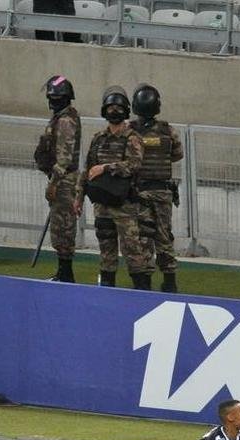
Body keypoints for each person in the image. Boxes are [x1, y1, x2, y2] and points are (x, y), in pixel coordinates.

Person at [76, 86, 154, 289]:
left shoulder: (132, 138)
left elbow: (134, 165)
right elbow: (87, 170)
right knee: (106, 251)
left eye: (118, 107)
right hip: (102, 205)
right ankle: (107, 290)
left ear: (126, 110)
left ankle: (142, 292)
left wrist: (106, 168)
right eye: (110, 107)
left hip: (125, 205)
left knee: (132, 250)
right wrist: (78, 198)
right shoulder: (98, 138)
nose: (114, 111)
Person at [130, 84, 185, 293]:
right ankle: (169, 280)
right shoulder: (167, 130)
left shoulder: (130, 131)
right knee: (164, 235)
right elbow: (177, 154)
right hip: (162, 193)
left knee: (143, 236)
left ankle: (145, 281)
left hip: (139, 192)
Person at [34, 75, 82, 283]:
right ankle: (63, 272)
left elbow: (64, 157)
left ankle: (65, 274)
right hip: (61, 179)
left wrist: (54, 183)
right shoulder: (63, 117)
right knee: (59, 227)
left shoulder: (65, 121)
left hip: (64, 181)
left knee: (63, 228)